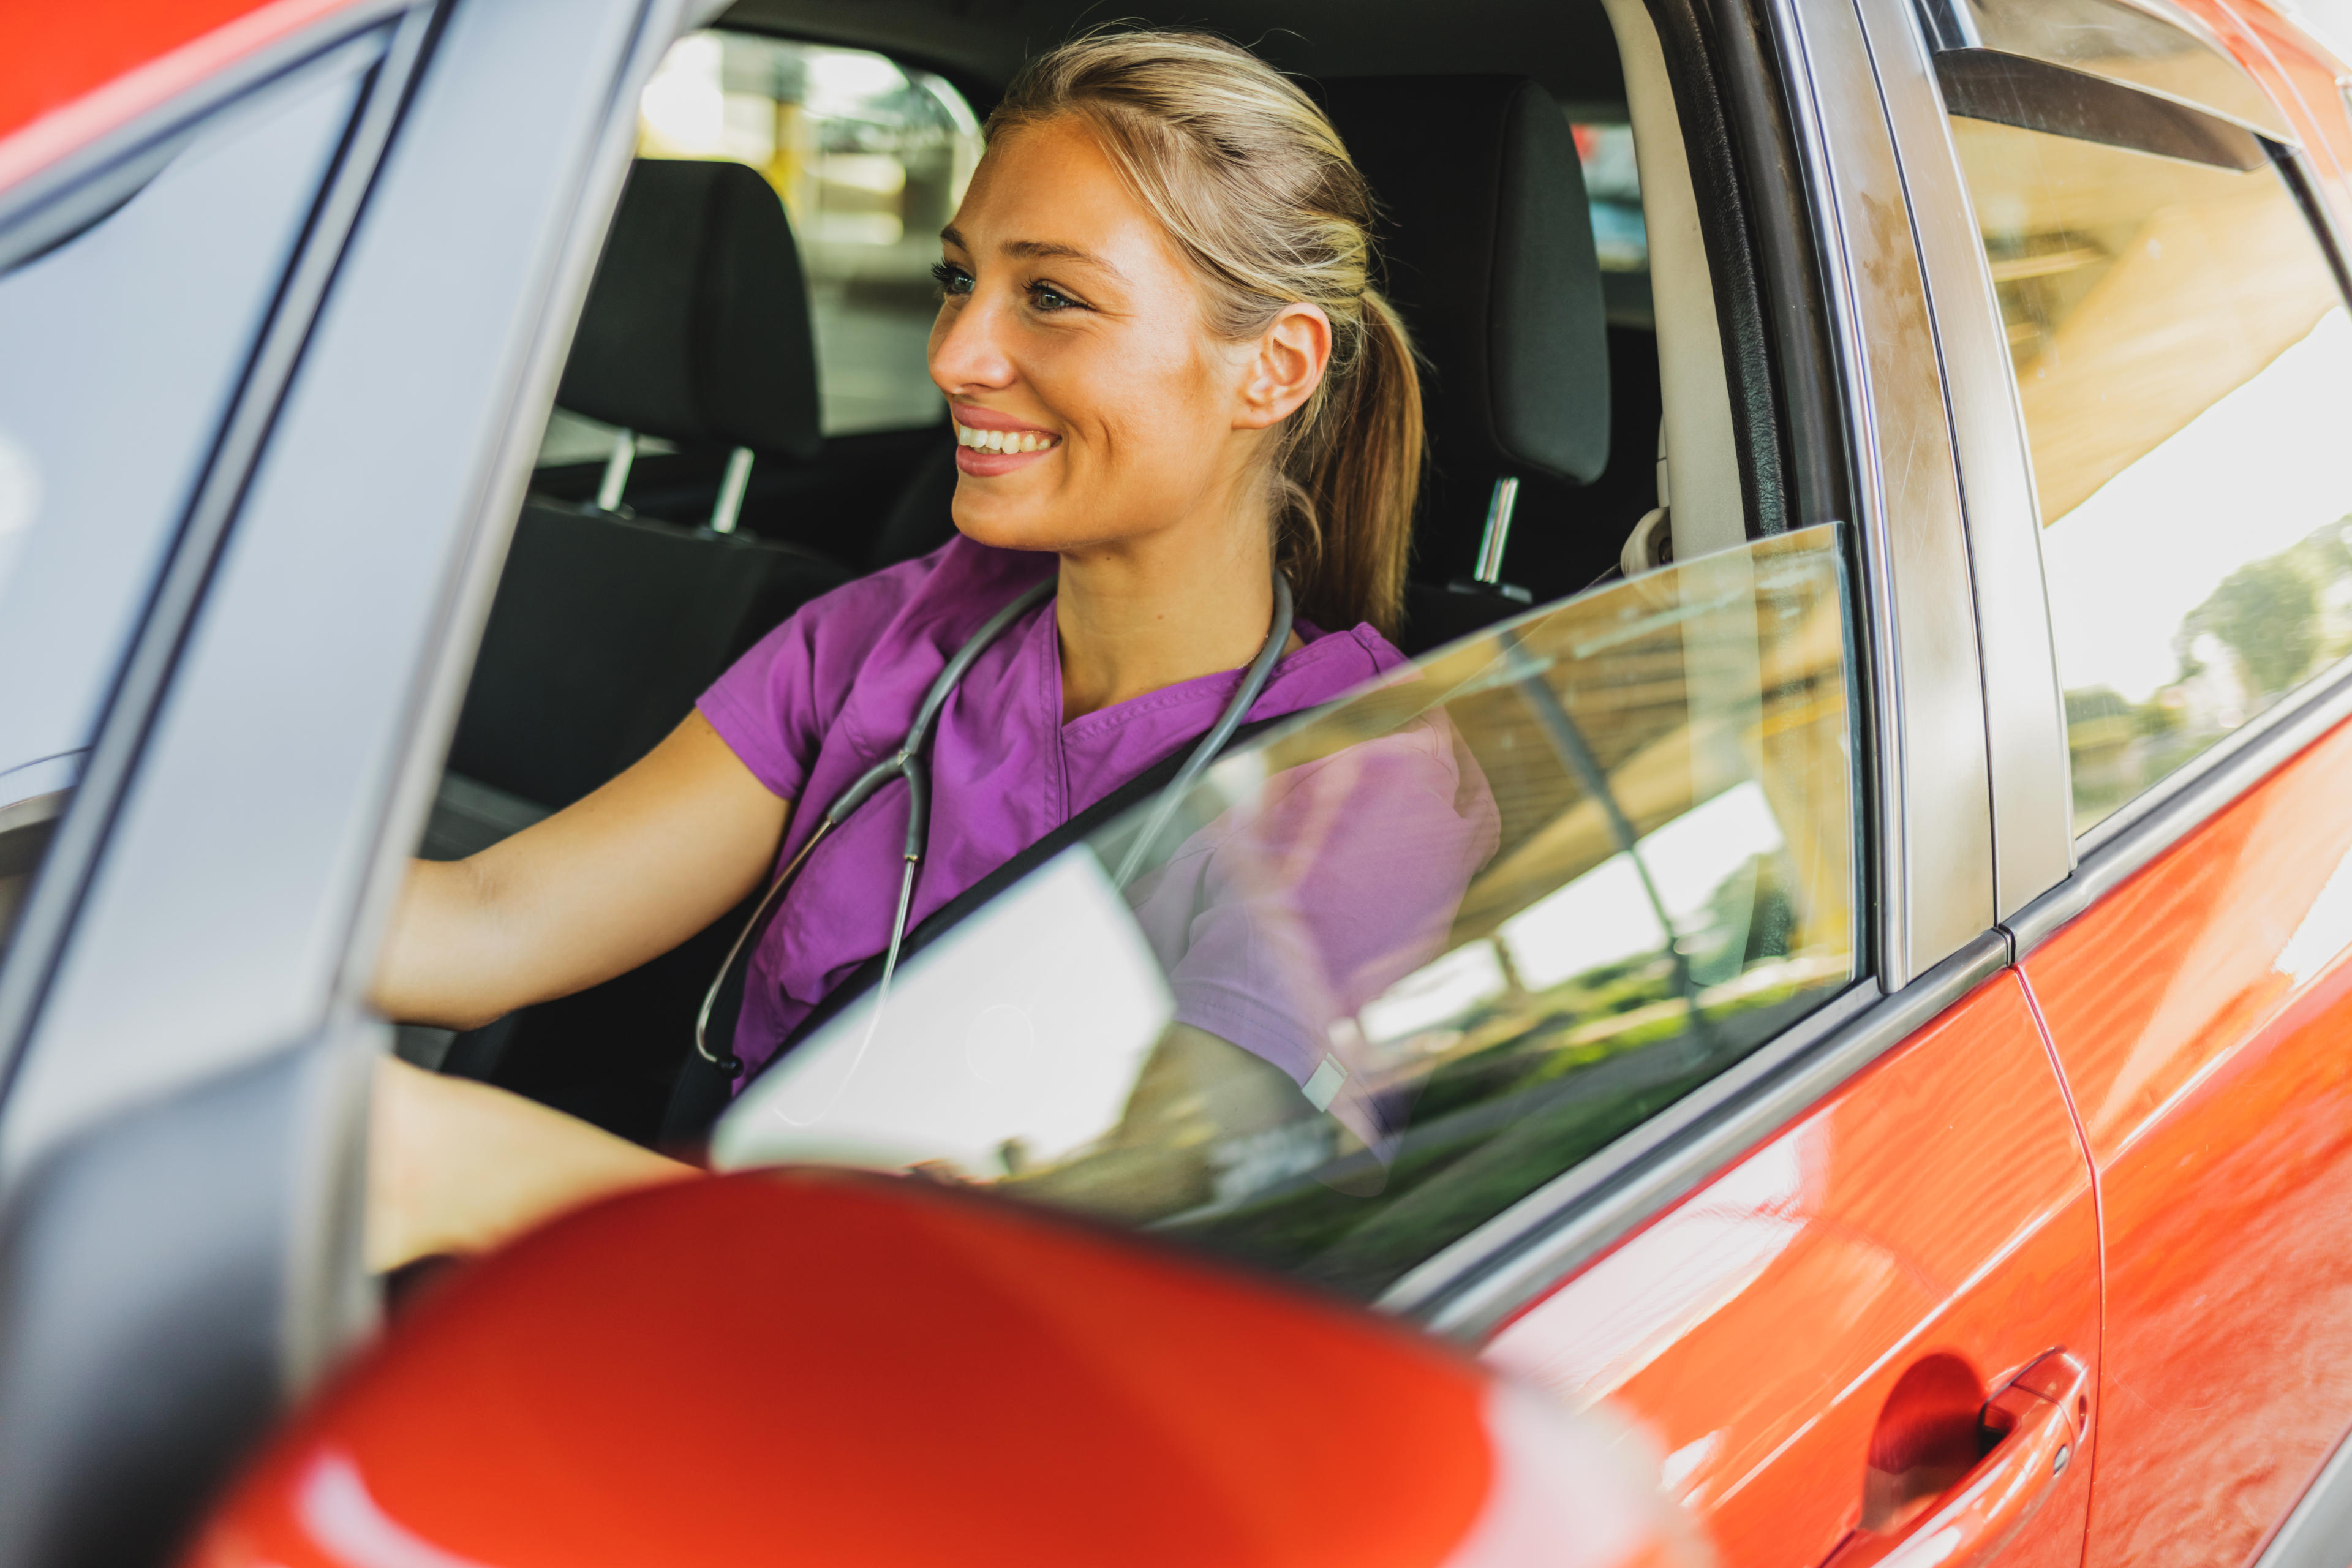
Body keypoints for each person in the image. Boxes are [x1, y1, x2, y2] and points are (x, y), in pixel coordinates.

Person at [367, 29, 1473, 1270]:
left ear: (1272, 368)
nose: (955, 356)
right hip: (692, 1298)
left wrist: (476, 1169)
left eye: (1051, 295)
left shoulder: (1359, 783)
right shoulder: (890, 634)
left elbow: (1075, 1257)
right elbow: (493, 919)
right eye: (959, 281)